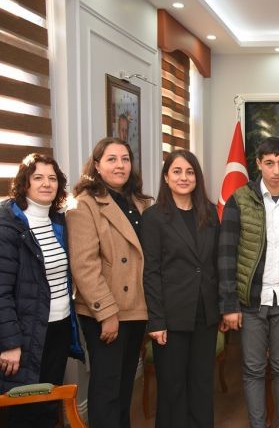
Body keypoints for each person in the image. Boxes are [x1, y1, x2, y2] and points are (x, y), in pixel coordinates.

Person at [219, 136, 279, 428]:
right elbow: (226, 255)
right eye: (270, 163)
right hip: (251, 302)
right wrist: (229, 305)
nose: (276, 170)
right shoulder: (239, 200)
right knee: (253, 369)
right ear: (259, 164)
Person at [67, 137, 151, 428]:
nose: (120, 165)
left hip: (136, 307)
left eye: (125, 159)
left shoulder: (139, 202)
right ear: (97, 165)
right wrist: (107, 313)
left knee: (125, 386)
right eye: (112, 159)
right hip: (105, 311)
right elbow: (84, 265)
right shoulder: (84, 204)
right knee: (107, 388)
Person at [0, 154, 84, 427]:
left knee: (48, 404)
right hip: (25, 333)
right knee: (25, 410)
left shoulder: (59, 221)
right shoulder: (8, 224)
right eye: (38, 177)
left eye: (52, 178)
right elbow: (1, 291)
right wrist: (10, 343)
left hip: (59, 327)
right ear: (24, 183)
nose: (46, 184)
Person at [141, 150, 221, 428]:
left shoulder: (210, 213)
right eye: (177, 171)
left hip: (205, 314)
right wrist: (156, 320)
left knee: (202, 384)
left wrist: (221, 308)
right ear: (166, 177)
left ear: (197, 177)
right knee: (172, 387)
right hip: (171, 317)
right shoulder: (153, 217)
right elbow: (150, 271)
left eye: (190, 172)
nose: (184, 177)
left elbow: (215, 264)